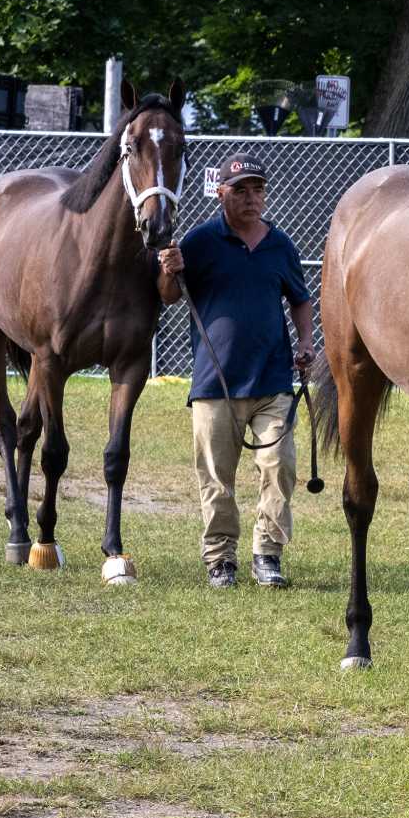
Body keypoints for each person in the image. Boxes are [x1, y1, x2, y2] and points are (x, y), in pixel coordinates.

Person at [156, 153, 315, 590]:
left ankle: (268, 554)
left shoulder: (280, 245)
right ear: (221, 193)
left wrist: (305, 342)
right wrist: (169, 270)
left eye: (257, 189)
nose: (251, 198)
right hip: (215, 384)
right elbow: (170, 295)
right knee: (215, 477)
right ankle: (220, 559)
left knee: (279, 465)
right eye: (240, 190)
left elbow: (300, 299)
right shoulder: (200, 241)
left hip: (273, 380)